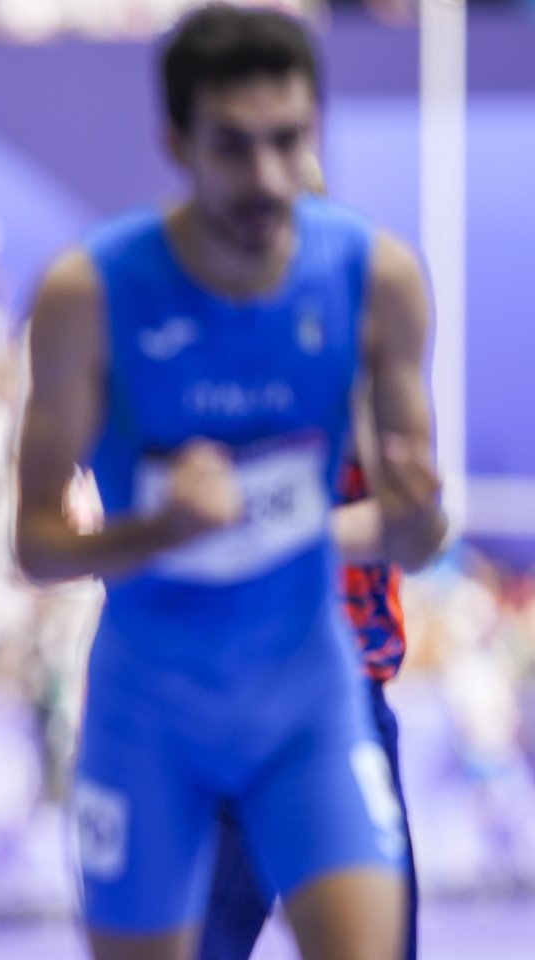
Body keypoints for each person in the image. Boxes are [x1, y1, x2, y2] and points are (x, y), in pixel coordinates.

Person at [14, 5, 446, 960]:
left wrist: (418, 518)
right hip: (151, 721)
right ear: (177, 143)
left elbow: (420, 540)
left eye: (289, 143)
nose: (267, 179)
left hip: (316, 702)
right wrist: (163, 531)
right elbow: (37, 547)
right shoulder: (88, 295)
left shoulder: (375, 279)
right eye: (235, 148)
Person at [199, 159, 428, 960]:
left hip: (338, 698)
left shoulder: (364, 365)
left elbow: (414, 522)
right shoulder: (183, 355)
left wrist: (279, 532)